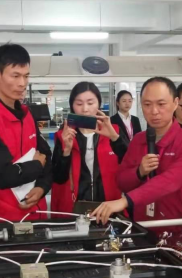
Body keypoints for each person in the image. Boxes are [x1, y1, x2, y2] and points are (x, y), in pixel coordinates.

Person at [91, 77, 182, 242]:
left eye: (161, 104)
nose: (154, 111)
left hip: (179, 230)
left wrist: (125, 201)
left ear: (175, 103)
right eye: (147, 104)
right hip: (142, 229)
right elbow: (122, 181)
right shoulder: (138, 140)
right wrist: (139, 172)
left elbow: (170, 181)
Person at [0, 44, 52, 221]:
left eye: (26, 76)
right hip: (3, 218)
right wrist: (37, 165)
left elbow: (46, 155)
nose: (22, 83)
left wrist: (42, 187)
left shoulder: (28, 115)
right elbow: (3, 176)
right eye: (15, 76)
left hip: (37, 213)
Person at [52, 82, 127, 212]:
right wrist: (67, 151)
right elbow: (58, 177)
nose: (85, 109)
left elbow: (131, 163)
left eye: (90, 103)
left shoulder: (114, 131)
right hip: (75, 208)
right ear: (72, 106)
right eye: (79, 104)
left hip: (109, 206)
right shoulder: (63, 136)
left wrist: (115, 138)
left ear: (99, 104)